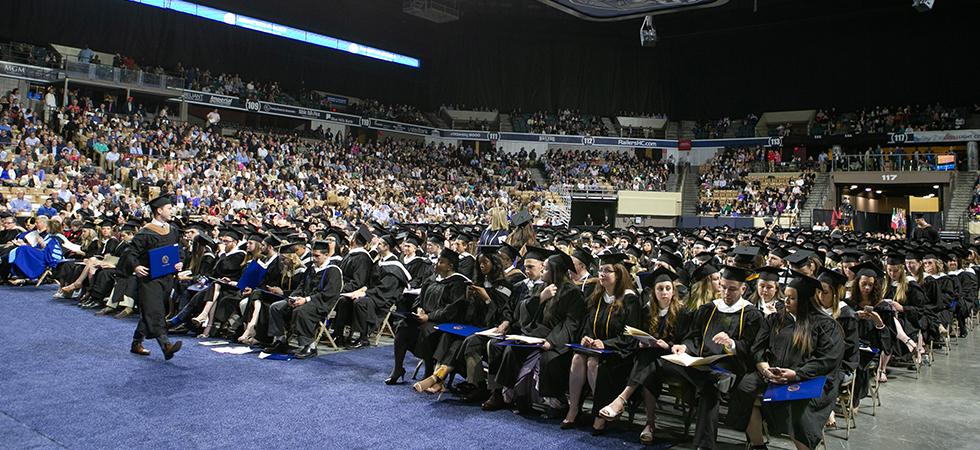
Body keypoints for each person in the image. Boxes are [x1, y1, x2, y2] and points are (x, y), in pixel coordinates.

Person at [731, 273, 844, 450]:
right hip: (772, 375)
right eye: (786, 297)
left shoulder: (825, 324)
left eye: (792, 298)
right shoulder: (775, 319)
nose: (786, 302)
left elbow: (827, 360)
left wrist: (796, 374)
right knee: (745, 390)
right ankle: (758, 446)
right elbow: (757, 350)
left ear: (806, 301)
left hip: (808, 379)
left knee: (795, 405)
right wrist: (765, 369)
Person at [671, 265, 764, 450]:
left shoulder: (752, 314)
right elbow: (695, 336)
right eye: (723, 287)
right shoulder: (708, 309)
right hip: (702, 363)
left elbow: (752, 348)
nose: (726, 292)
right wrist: (685, 347)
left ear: (743, 289)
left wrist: (731, 344)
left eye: (732, 289)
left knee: (711, 384)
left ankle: (704, 445)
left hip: (732, 367)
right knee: (665, 364)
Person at [596, 267, 690, 444]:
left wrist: (668, 345)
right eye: (660, 289)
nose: (664, 293)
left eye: (668, 289)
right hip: (650, 361)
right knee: (648, 361)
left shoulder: (682, 313)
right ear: (653, 292)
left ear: (673, 291)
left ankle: (621, 400)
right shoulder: (647, 313)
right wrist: (641, 341)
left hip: (672, 361)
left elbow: (686, 341)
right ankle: (649, 425)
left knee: (647, 361)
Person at [562, 252, 640, 435]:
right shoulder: (598, 297)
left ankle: (601, 414)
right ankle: (574, 409)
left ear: (619, 275)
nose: (602, 274)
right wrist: (586, 338)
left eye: (607, 271)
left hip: (619, 354)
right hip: (597, 351)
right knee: (578, 358)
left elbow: (631, 335)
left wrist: (607, 344)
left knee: (592, 362)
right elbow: (588, 325)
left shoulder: (630, 300)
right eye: (601, 270)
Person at [118, 195, 183, 360]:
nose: (172, 211)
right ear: (159, 211)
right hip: (149, 278)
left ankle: (136, 343)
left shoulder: (173, 230)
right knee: (155, 310)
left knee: (151, 309)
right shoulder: (145, 232)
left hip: (167, 277)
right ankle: (166, 345)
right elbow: (130, 252)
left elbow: (178, 251)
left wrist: (180, 263)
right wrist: (136, 266)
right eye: (169, 208)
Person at [264, 239, 342, 359]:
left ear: (326, 255)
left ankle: (309, 346)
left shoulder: (333, 271)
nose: (314, 259)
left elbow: (328, 294)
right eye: (313, 256)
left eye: (317, 256)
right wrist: (293, 297)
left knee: (301, 311)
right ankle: (280, 340)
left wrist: (305, 300)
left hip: (321, 303)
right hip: (304, 299)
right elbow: (301, 286)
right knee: (276, 307)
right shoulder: (311, 268)